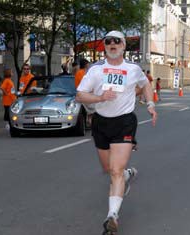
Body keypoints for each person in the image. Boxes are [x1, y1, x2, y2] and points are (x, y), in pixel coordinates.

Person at [76, 30, 157, 234]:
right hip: (101, 122)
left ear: (123, 46)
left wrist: (150, 104)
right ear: (105, 46)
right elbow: (80, 96)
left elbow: (145, 84)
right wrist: (100, 98)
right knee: (108, 169)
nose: (113, 44)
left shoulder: (132, 68)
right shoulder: (95, 70)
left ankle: (112, 216)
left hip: (124, 122)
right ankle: (128, 175)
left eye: (117, 41)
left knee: (115, 170)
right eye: (108, 41)